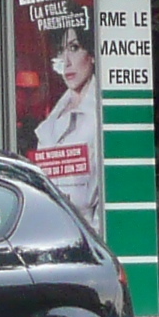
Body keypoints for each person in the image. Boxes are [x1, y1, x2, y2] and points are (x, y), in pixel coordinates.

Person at [32, 23, 104, 224]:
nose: (66, 61)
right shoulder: (54, 117)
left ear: (91, 55)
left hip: (86, 233)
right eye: (60, 51)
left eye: (74, 48)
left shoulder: (100, 114)